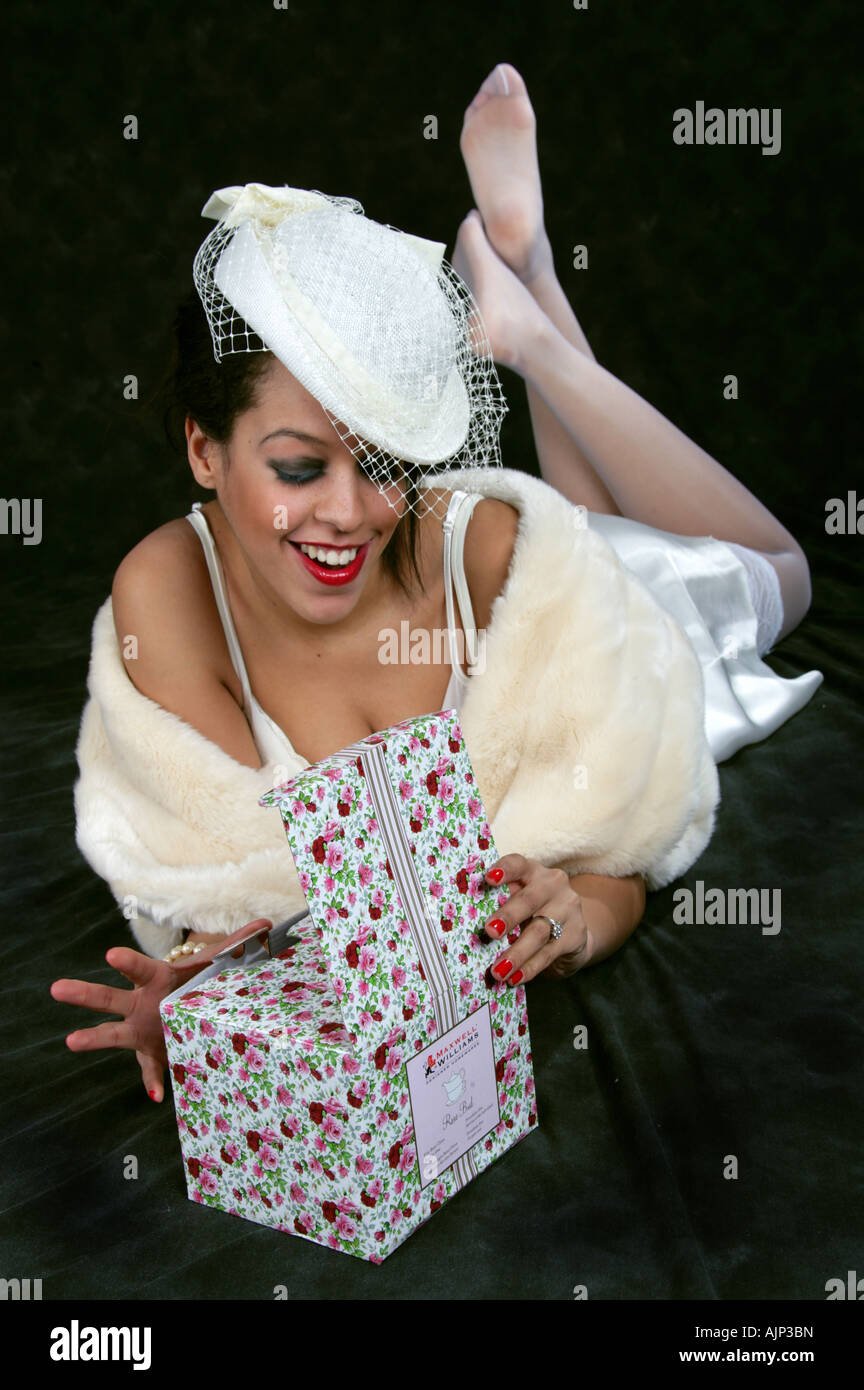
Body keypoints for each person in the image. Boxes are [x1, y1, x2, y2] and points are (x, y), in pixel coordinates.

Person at [52, 63, 820, 1105]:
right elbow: (235, 879)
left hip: (620, 632)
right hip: (544, 567)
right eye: (295, 468)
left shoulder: (494, 552)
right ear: (201, 447)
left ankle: (536, 338)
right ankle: (520, 261)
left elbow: (622, 822)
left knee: (784, 577)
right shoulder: (167, 595)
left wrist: (583, 907)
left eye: (380, 461)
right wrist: (190, 997)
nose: (349, 513)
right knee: (599, 513)